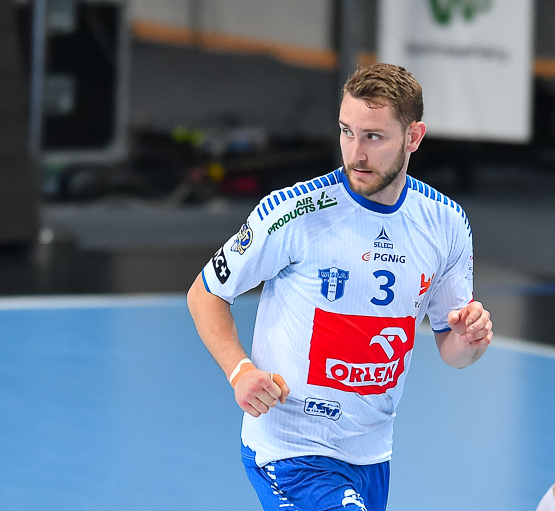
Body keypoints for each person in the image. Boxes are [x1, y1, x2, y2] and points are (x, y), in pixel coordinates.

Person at [187, 63, 493, 511]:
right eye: (346, 132)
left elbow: (452, 347)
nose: (355, 153)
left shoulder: (445, 223)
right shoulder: (295, 213)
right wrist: (240, 371)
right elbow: (207, 292)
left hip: (371, 454)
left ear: (413, 137)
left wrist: (470, 340)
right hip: (291, 450)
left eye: (373, 136)